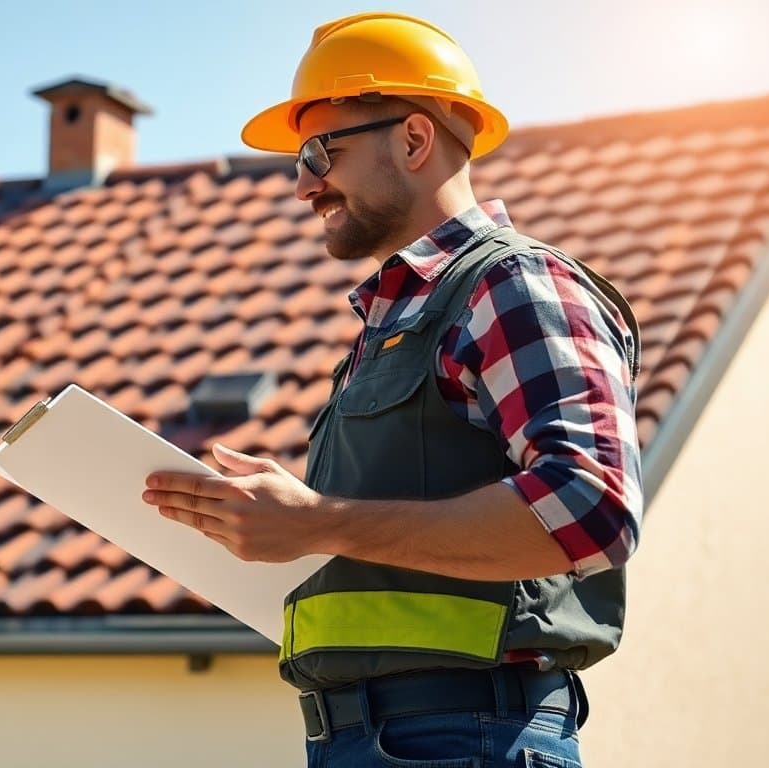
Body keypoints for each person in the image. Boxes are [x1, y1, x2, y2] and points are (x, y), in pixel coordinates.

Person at [141, 12, 641, 767]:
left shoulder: (510, 284)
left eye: (320, 151)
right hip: (374, 739)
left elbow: (593, 507)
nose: (304, 183)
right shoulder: (396, 323)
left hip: (466, 736)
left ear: (412, 139)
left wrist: (321, 524)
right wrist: (271, 533)